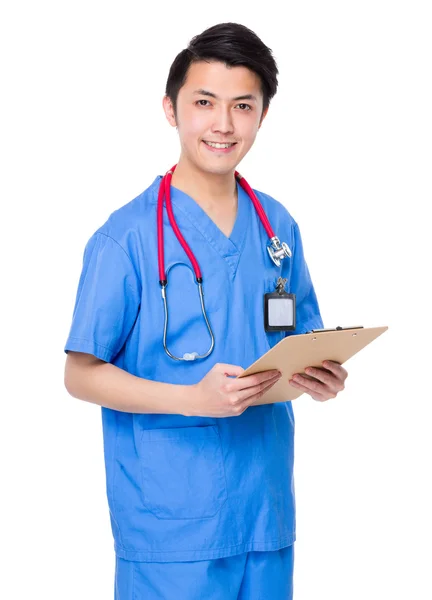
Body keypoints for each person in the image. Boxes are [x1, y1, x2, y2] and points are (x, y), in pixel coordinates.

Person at [63, 22, 348, 600]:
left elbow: (300, 339)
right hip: (170, 525)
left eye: (243, 106)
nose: (223, 124)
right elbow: (79, 373)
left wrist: (318, 376)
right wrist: (192, 399)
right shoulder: (128, 238)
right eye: (204, 103)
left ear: (262, 116)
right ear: (171, 109)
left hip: (263, 513)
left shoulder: (278, 229)